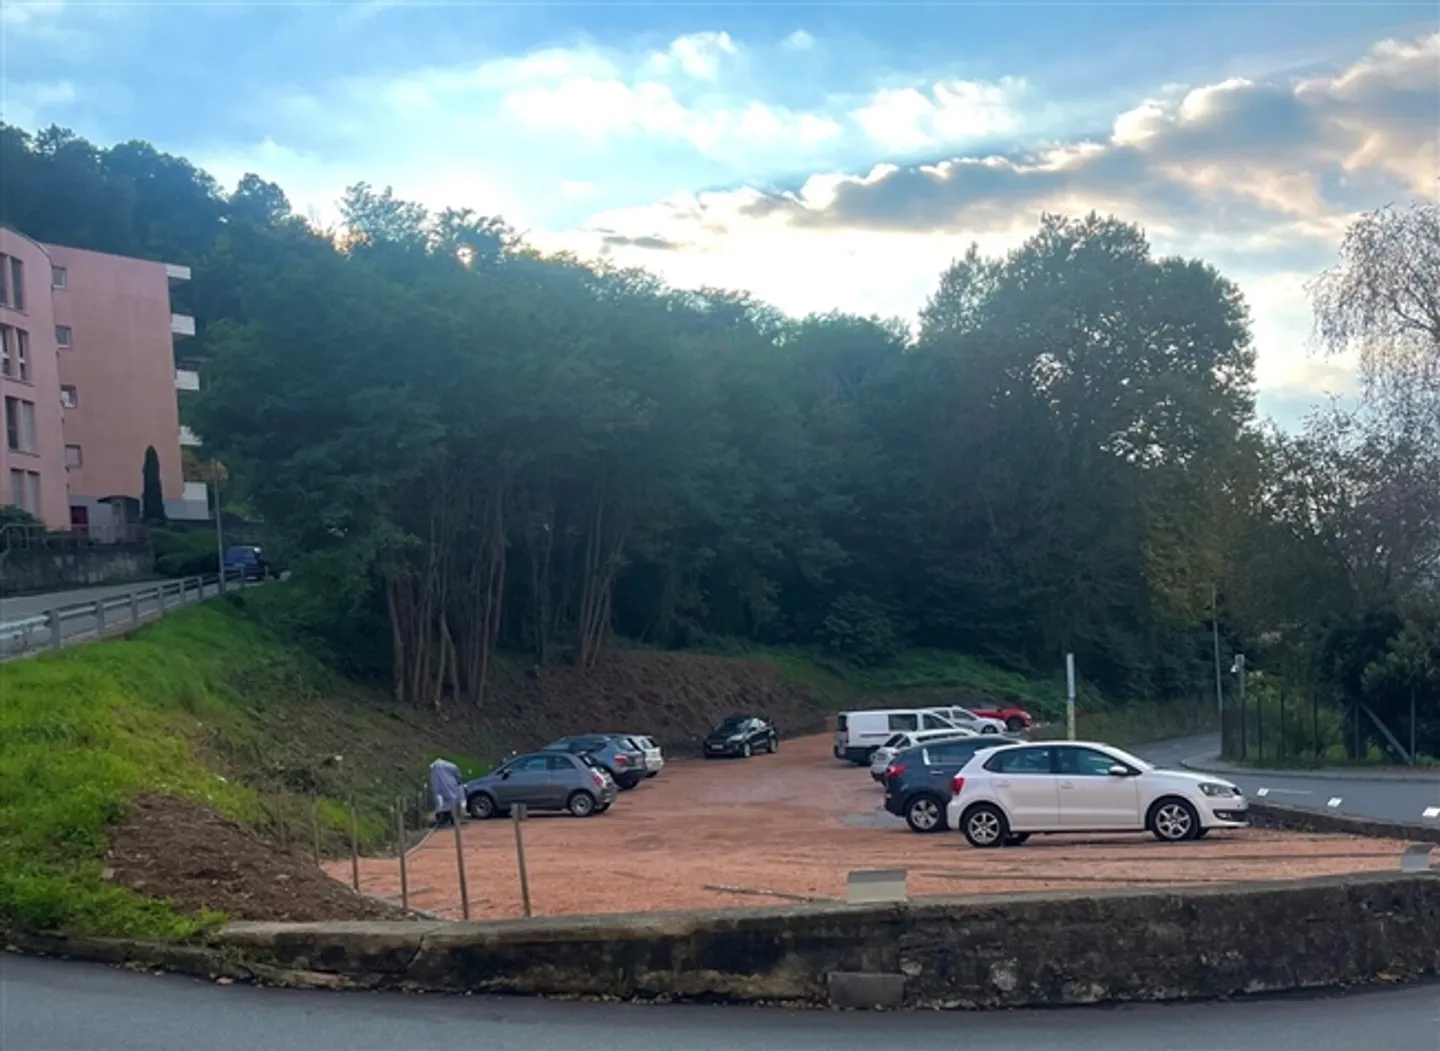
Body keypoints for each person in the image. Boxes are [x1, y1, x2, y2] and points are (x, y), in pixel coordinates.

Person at [428, 757, 464, 826]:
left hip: (439, 789)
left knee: (441, 804)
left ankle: (442, 819)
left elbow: (433, 780)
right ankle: (454, 819)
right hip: (451, 787)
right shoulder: (449, 766)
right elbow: (457, 772)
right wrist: (458, 780)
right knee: (453, 802)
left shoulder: (433, 768)